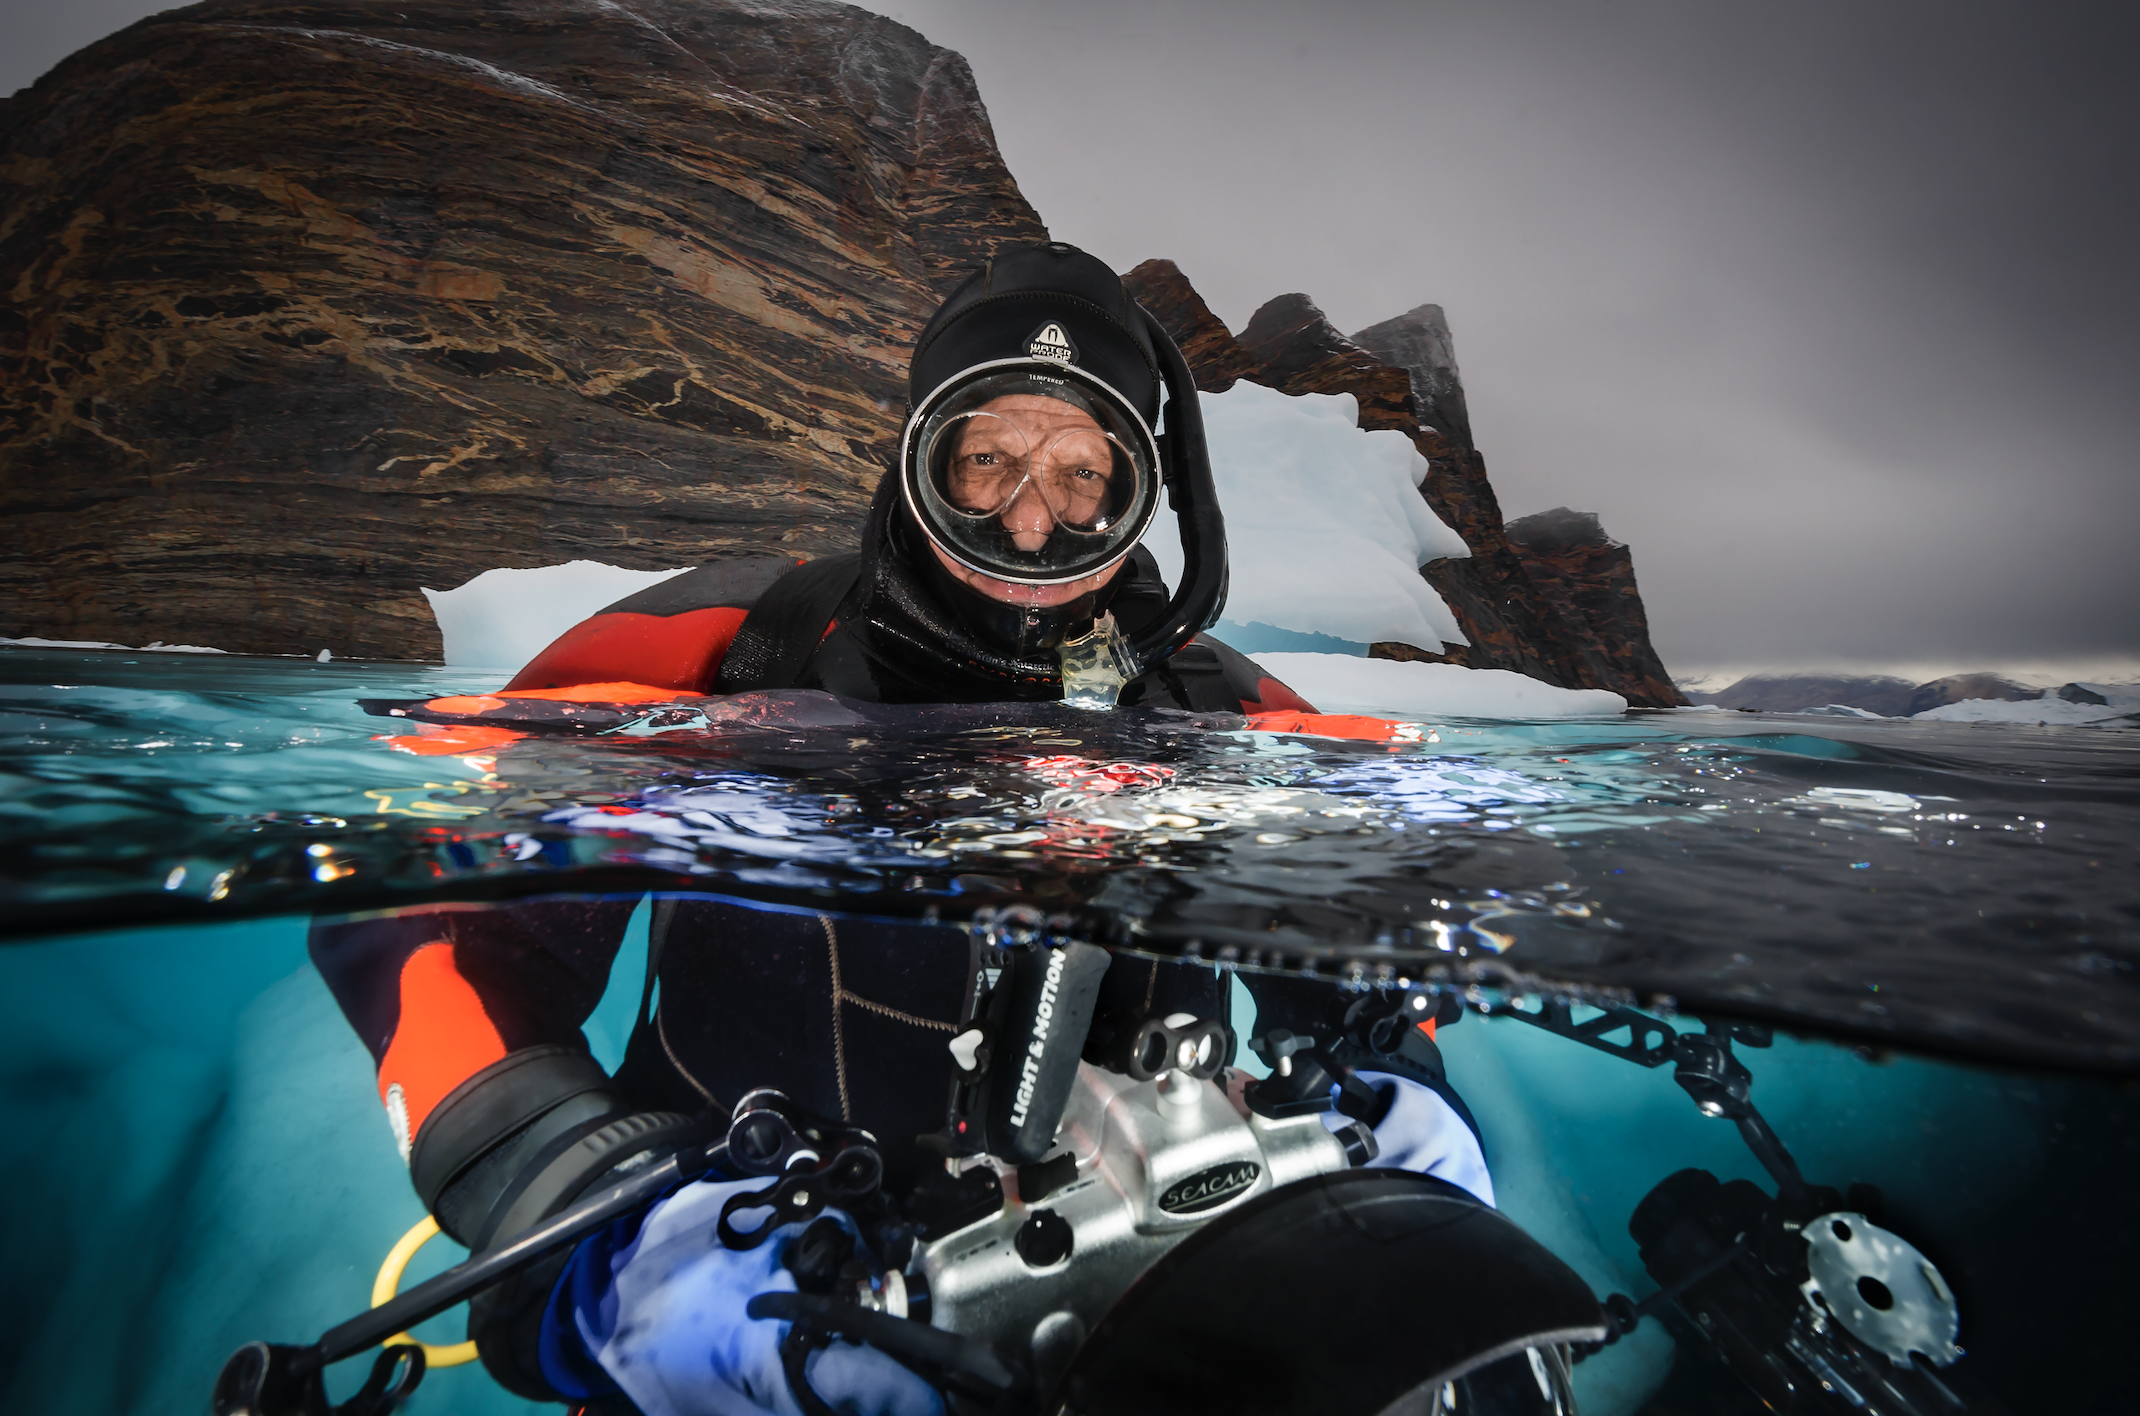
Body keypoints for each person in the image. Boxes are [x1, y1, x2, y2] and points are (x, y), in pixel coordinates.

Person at [309, 243, 1491, 1416]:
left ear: (1148, 494)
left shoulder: (1232, 714)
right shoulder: (718, 650)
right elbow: (416, 903)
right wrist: (609, 1230)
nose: (1031, 526)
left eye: (1085, 475)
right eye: (986, 460)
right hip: (745, 1328)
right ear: (918, 458)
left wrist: (1398, 1079)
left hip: (1152, 1333)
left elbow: (1371, 915)